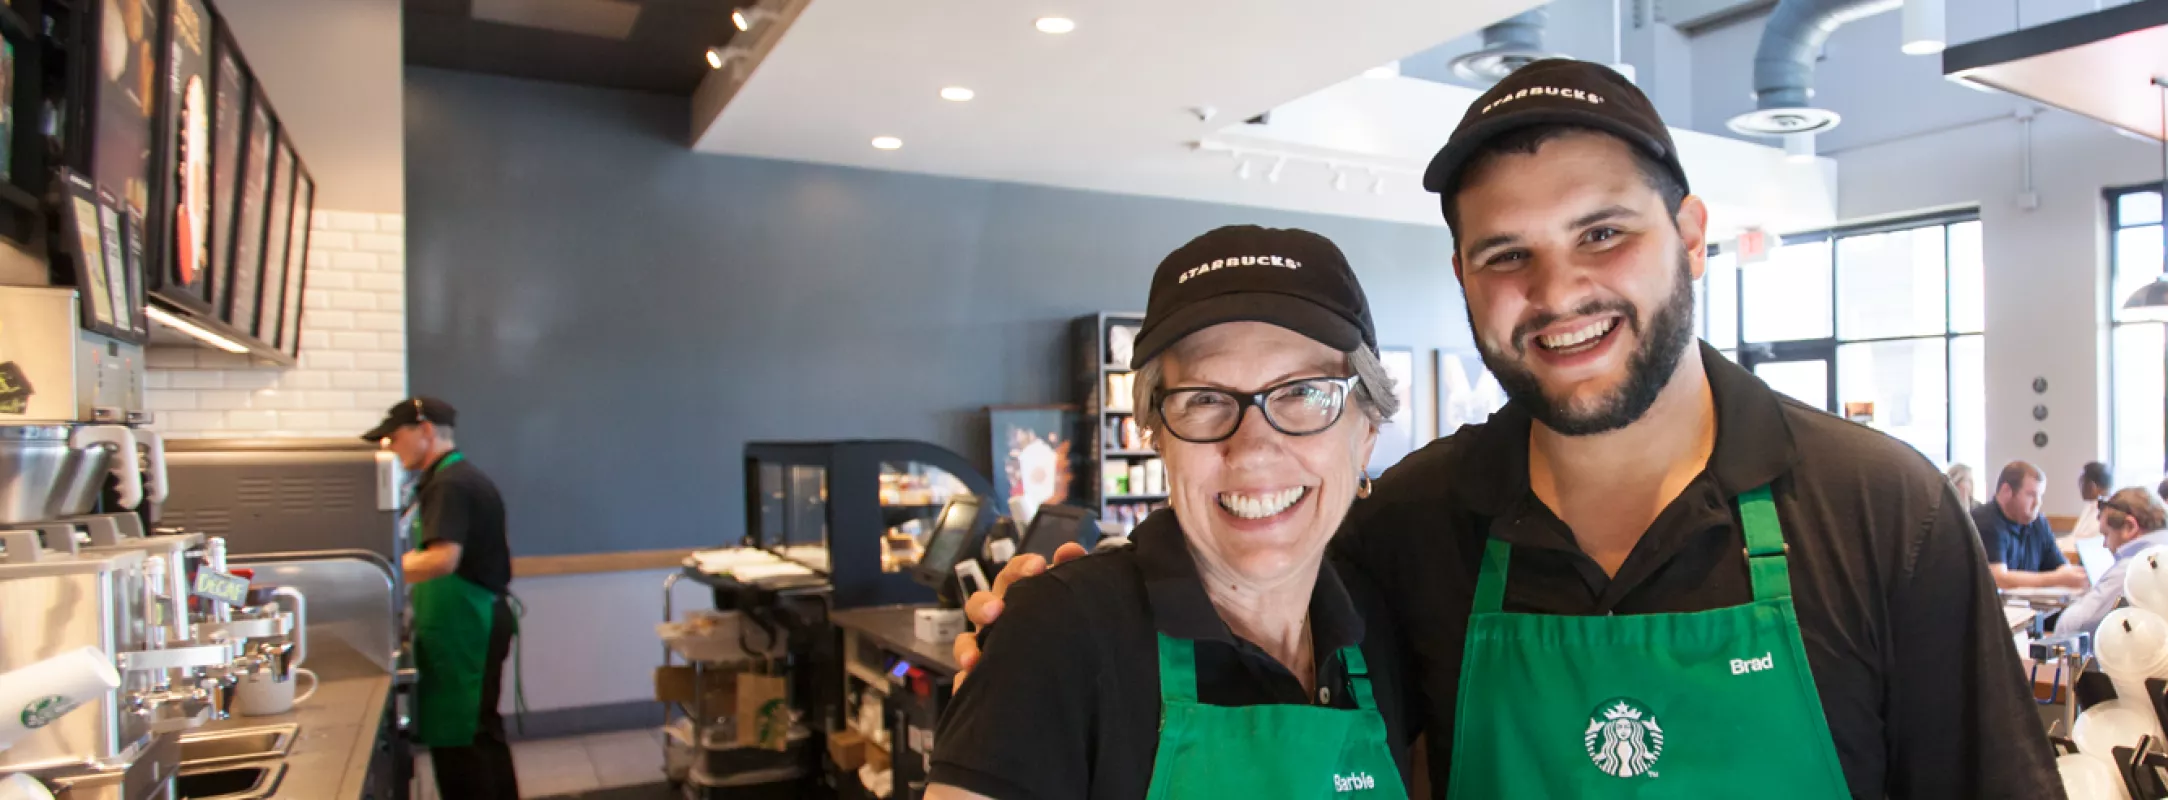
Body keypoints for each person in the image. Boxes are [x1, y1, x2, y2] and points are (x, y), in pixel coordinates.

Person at [959, 59, 2058, 796]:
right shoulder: (1408, 531)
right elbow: (1240, 589)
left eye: (1602, 232)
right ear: (1462, 280)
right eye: (1505, 254)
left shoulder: (1878, 509)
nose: (1558, 288)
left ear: (1687, 234)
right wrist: (1049, 625)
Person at [927, 226, 1415, 799]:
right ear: (1157, 436)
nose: (1253, 447)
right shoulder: (1058, 636)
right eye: (1205, 399)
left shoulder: (1382, 629)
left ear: (1367, 434)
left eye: (1302, 392)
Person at [363, 397, 520, 800]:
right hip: (467, 620)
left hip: (468, 624)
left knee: (463, 740)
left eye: (395, 438)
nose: (391, 449)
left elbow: (441, 558)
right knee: (478, 733)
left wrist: (372, 575)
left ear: (426, 431)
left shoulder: (451, 484)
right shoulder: (448, 479)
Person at [2054, 488, 2168, 637]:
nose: (2105, 545)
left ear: (2129, 527)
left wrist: (2086, 599)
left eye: (2106, 534)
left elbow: (2072, 626)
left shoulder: (2134, 568)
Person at [1975, 461, 2087, 589]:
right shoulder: (1985, 521)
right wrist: (2058, 579)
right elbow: (1998, 579)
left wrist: (2072, 575)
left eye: (2040, 495)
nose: (2037, 502)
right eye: (2031, 495)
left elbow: (2060, 566)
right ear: (2006, 491)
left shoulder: (2038, 522)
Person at [2069, 461, 2114, 539]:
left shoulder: (2104, 513)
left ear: (2092, 486)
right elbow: (2074, 537)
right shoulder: (2091, 505)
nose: (2079, 486)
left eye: (2081, 481)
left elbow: (2081, 543)